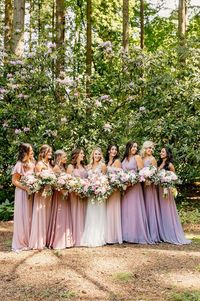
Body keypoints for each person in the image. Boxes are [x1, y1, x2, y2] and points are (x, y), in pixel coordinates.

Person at [157, 147, 191, 245]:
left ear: (167, 153)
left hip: (166, 190)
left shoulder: (170, 165)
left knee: (167, 211)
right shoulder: (159, 164)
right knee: (160, 211)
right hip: (158, 190)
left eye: (163, 151)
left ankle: (170, 233)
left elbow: (174, 178)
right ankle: (162, 233)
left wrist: (167, 180)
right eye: (161, 151)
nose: (161, 153)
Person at [121, 141, 152, 244]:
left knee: (134, 209)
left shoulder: (137, 157)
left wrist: (132, 181)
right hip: (126, 188)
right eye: (133, 146)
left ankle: (136, 235)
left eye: (136, 147)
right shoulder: (124, 159)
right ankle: (126, 234)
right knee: (126, 210)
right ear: (128, 147)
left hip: (134, 187)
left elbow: (141, 173)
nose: (134, 148)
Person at [81, 147, 107, 247]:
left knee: (99, 214)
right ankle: (90, 237)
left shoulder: (103, 166)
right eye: (95, 154)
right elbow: (87, 179)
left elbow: (105, 179)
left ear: (101, 155)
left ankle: (100, 237)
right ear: (92, 155)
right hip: (91, 194)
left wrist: (100, 186)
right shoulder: (88, 166)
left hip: (100, 193)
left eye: (99, 154)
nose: (97, 156)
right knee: (91, 214)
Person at [29, 144, 54, 250]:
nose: (51, 154)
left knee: (47, 215)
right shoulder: (39, 164)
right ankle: (39, 241)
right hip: (41, 193)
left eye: (51, 152)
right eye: (49, 152)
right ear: (44, 153)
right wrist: (44, 181)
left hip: (49, 193)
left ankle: (46, 240)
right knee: (41, 215)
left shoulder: (49, 164)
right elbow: (36, 179)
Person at [48, 150, 74, 249]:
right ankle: (58, 241)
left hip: (65, 194)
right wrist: (61, 190)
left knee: (65, 215)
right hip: (58, 195)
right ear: (58, 157)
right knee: (59, 216)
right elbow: (53, 183)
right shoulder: (56, 168)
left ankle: (66, 241)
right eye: (64, 157)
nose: (66, 158)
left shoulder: (64, 167)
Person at [12, 143, 35, 251]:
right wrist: (26, 188)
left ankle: (30, 239)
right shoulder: (19, 164)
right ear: (25, 152)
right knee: (22, 215)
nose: (32, 151)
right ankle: (21, 242)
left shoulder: (32, 162)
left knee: (30, 215)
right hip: (22, 192)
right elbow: (14, 181)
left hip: (31, 192)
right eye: (30, 150)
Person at [140, 141, 161, 242]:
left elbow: (155, 174)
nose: (150, 150)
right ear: (145, 148)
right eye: (149, 148)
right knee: (142, 207)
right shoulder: (142, 158)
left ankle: (152, 234)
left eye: (152, 148)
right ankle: (144, 231)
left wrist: (149, 179)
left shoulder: (153, 159)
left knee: (150, 207)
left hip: (150, 187)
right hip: (141, 186)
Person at [67, 148, 88, 246]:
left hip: (84, 193)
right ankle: (76, 238)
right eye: (81, 153)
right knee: (75, 213)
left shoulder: (84, 166)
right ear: (76, 155)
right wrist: (76, 189)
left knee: (83, 213)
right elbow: (67, 181)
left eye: (83, 153)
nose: (83, 155)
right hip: (74, 193)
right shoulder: (71, 166)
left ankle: (84, 237)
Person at [105, 144, 122, 244]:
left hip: (115, 189)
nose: (114, 151)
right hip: (106, 189)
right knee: (107, 211)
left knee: (113, 211)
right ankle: (107, 235)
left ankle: (113, 236)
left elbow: (119, 176)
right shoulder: (107, 162)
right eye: (112, 149)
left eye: (116, 149)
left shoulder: (117, 161)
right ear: (108, 151)